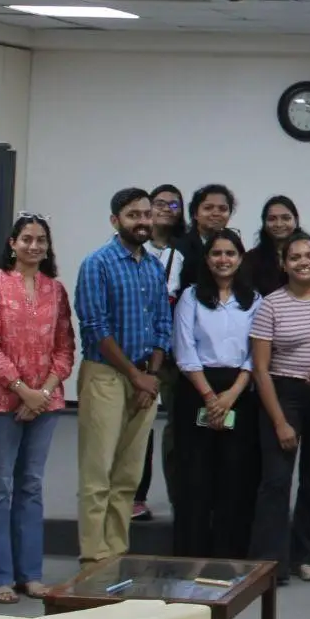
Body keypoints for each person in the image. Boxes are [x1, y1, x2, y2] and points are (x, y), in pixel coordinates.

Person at [0, 214, 74, 604]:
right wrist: (22, 391)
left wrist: (41, 393)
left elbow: (65, 349)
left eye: (40, 240)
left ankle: (29, 573)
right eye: (26, 238)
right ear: (12, 243)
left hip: (45, 402)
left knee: (30, 486)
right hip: (0, 401)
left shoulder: (55, 290)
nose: (34, 246)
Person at [74, 187, 170, 564]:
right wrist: (134, 375)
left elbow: (163, 324)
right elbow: (95, 326)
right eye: (133, 215)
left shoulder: (153, 267)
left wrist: (152, 375)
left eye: (147, 214)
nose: (142, 221)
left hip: (145, 379)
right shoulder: (97, 263)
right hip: (107, 376)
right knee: (98, 472)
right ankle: (92, 557)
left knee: (128, 474)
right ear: (115, 220)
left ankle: (115, 552)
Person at [248, 231, 310, 581]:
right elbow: (260, 369)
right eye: (295, 257)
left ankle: (309, 555)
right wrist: (279, 421)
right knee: (276, 480)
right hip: (282, 393)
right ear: (283, 264)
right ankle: (270, 562)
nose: (304, 262)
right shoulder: (271, 304)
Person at [171, 226, 259, 559]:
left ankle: (230, 556)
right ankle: (191, 555)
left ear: (240, 258)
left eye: (230, 253)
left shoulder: (254, 300)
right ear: (207, 259)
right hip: (197, 388)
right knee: (195, 476)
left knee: (235, 475)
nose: (224, 259)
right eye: (217, 253)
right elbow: (184, 349)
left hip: (240, 392)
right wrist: (210, 397)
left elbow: (256, 354)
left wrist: (232, 394)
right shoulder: (191, 297)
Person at [133, 182, 191, 524]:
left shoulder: (185, 251)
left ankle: (179, 497)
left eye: (174, 205)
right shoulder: (130, 247)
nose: (166, 209)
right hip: (134, 350)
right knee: (137, 423)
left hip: (172, 352)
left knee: (177, 426)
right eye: (160, 203)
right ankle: (135, 496)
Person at [243, 195, 302, 297]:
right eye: (272, 219)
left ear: (296, 220)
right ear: (264, 222)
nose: (279, 224)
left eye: (286, 218)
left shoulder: (309, 255)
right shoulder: (251, 259)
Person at [185, 183, 236, 260]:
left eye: (222, 209)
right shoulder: (180, 247)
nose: (216, 213)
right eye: (208, 208)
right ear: (195, 214)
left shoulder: (234, 243)